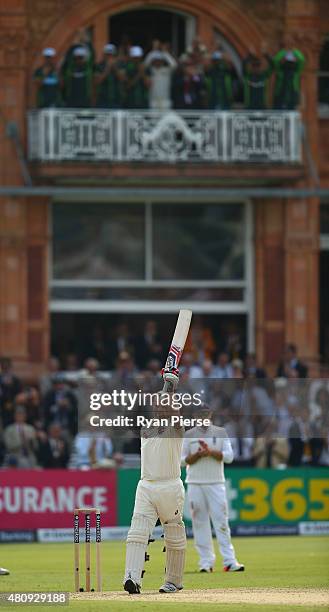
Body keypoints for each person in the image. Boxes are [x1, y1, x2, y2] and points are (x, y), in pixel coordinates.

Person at [123, 366, 186, 594]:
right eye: (157, 404)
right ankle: (132, 578)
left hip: (170, 485)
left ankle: (174, 581)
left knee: (174, 533)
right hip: (146, 485)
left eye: (164, 404)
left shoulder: (176, 429)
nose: (160, 407)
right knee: (137, 531)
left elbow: (175, 418)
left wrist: (170, 387)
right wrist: (166, 389)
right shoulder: (147, 428)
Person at [182, 405, 244, 573]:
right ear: (194, 416)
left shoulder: (220, 432)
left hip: (216, 483)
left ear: (210, 414)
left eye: (205, 414)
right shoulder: (189, 435)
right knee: (199, 522)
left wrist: (211, 453)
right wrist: (197, 455)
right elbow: (181, 460)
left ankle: (230, 561)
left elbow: (230, 457)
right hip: (195, 483)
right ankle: (205, 562)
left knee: (221, 521)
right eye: (199, 414)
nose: (202, 417)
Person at [95, 44, 123, 108]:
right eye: (107, 54)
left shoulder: (120, 64)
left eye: (111, 54)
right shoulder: (99, 65)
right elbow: (97, 82)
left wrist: (114, 68)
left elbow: (122, 79)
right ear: (104, 54)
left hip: (116, 99)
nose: (109, 56)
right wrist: (107, 68)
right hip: (103, 99)